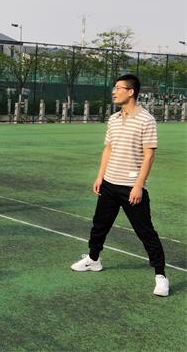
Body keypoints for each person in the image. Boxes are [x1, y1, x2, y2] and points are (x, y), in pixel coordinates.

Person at [71, 74, 168, 297]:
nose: (114, 91)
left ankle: (161, 275)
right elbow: (109, 148)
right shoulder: (114, 119)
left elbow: (149, 155)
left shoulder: (146, 120)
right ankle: (93, 259)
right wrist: (100, 176)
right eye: (114, 88)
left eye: (118, 88)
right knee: (99, 225)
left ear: (131, 92)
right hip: (109, 184)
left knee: (145, 231)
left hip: (131, 187)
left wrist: (138, 185)